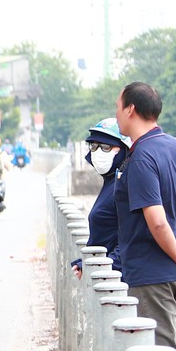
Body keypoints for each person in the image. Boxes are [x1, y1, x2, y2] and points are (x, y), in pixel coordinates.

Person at [112, 81, 176, 351]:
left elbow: (157, 222)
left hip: (153, 279)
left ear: (130, 109)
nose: (116, 114)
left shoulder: (141, 157)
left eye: (117, 107)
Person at [72, 118, 131, 278]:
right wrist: (85, 263)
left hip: (117, 281)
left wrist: (101, 267)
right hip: (105, 273)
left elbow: (129, 241)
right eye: (94, 146)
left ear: (124, 150)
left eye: (106, 147)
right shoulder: (111, 182)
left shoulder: (125, 185)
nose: (97, 152)